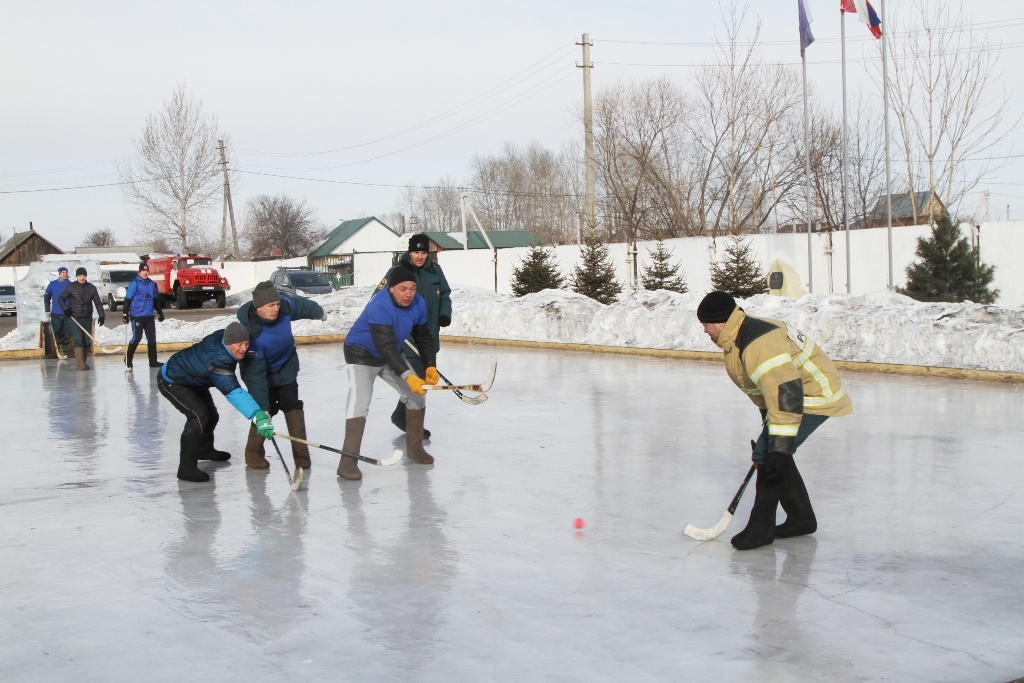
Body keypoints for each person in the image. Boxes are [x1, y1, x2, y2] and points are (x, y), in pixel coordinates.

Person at [697, 291, 853, 550]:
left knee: (771, 455)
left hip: (811, 397)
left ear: (721, 323)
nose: (704, 330)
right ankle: (801, 518)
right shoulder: (739, 334)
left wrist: (777, 445)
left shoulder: (758, 341)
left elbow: (785, 391)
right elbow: (765, 386)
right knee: (774, 453)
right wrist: (768, 420)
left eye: (705, 324)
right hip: (797, 396)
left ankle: (760, 530)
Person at [339, 265, 439, 480]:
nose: (408, 294)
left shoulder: (418, 303)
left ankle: (414, 448)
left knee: (416, 396)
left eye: (412, 288)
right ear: (391, 288)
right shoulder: (380, 305)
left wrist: (430, 365)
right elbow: (385, 345)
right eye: (403, 289)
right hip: (361, 354)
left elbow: (423, 337)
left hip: (391, 352)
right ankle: (347, 462)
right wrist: (408, 375)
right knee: (360, 403)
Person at [157, 321, 274, 482]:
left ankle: (204, 450)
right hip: (172, 380)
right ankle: (186, 468)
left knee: (212, 415)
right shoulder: (218, 361)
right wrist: (257, 415)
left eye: (246, 343)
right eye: (238, 345)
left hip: (193, 378)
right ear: (228, 343)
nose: (244, 348)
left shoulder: (224, 338)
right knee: (198, 417)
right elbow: (233, 391)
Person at [237, 281, 325, 471]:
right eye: (271, 306)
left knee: (292, 407)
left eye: (276, 304)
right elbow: (255, 375)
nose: (276, 308)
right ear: (258, 307)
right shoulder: (251, 334)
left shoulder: (284, 307)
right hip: (260, 373)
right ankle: (253, 454)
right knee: (264, 410)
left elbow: (300, 305)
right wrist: (262, 411)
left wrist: (319, 312)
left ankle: (302, 458)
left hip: (286, 366)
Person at [375, 233, 452, 438]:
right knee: (416, 382)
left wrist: (445, 314)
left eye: (423, 252)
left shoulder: (436, 272)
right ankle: (410, 423)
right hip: (407, 340)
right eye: (416, 252)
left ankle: (404, 418)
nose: (420, 256)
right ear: (410, 252)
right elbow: (378, 298)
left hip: (429, 337)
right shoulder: (398, 272)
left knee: (424, 380)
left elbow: (445, 295)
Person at [57, 267, 105, 371]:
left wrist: (102, 315)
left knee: (87, 341)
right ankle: (80, 364)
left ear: (86, 276)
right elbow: (60, 299)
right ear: (77, 276)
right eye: (80, 276)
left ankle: (83, 362)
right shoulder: (71, 287)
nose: (82, 278)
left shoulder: (91, 288)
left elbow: (97, 302)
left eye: (83, 276)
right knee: (78, 340)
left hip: (87, 318)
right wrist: (66, 309)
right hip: (75, 318)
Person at [122, 262, 165, 371]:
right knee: (137, 338)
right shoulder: (134, 283)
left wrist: (160, 312)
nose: (145, 273)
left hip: (149, 316)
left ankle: (153, 361)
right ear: (139, 272)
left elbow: (155, 299)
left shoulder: (151, 283)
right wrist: (125, 313)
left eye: (146, 271)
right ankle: (128, 359)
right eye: (143, 271)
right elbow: (127, 300)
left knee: (151, 339)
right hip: (137, 316)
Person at [43, 266, 73, 358]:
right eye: (63, 272)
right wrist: (47, 310)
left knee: (71, 332)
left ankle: (73, 351)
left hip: (68, 314)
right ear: (59, 274)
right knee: (55, 332)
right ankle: (54, 351)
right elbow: (47, 297)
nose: (65, 274)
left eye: (66, 272)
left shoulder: (71, 284)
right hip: (56, 313)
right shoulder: (52, 284)